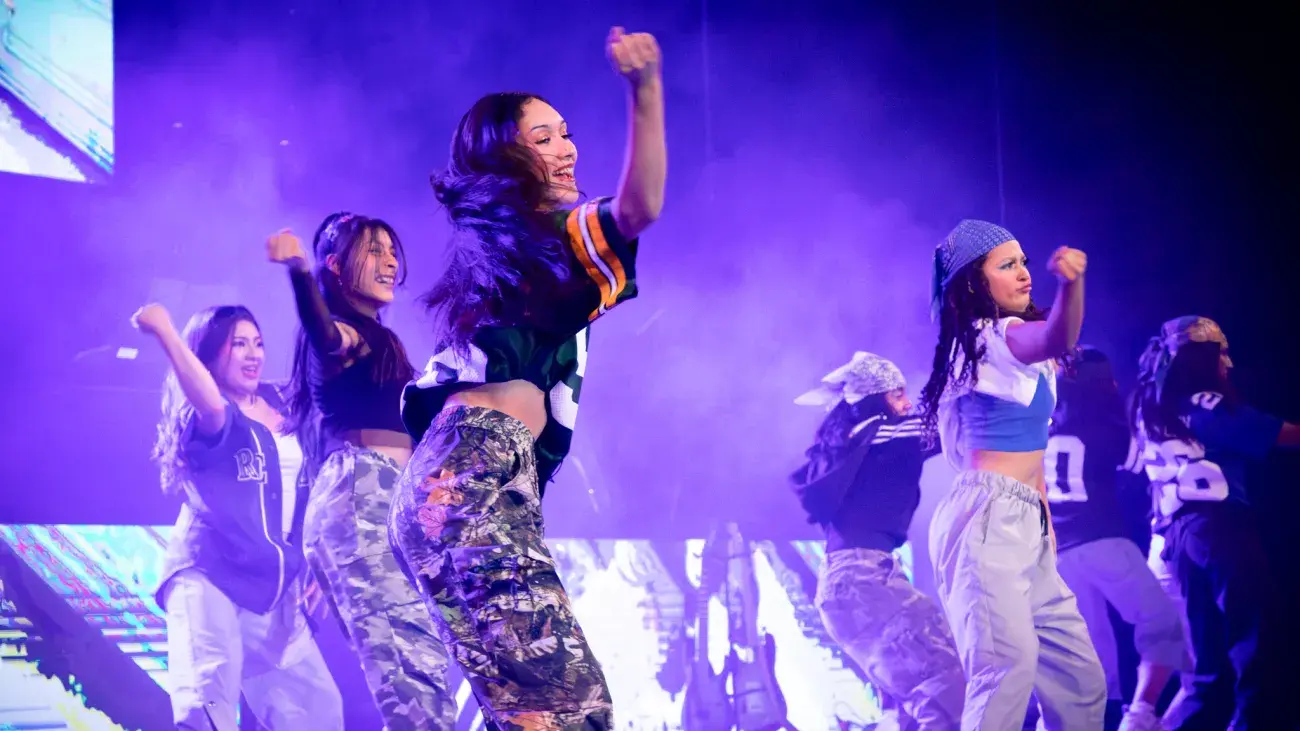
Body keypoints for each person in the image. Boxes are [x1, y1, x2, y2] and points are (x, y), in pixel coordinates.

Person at [388, 26, 666, 728]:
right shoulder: (543, 231)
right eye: (543, 139)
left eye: (566, 134)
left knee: (530, 716)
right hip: (473, 480)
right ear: (505, 160)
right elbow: (638, 209)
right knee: (573, 711)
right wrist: (646, 88)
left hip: (459, 489)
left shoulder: (510, 249)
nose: (567, 149)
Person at [266, 214, 456, 729]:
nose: (389, 261)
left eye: (392, 251)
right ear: (335, 265)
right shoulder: (346, 334)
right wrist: (299, 274)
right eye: (374, 250)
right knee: (410, 671)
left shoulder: (382, 342)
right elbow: (327, 335)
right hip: (363, 493)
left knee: (421, 662)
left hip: (384, 501)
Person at [917, 219, 1106, 730]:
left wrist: (1043, 526)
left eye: (1023, 262)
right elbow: (1057, 335)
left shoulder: (1010, 350)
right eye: (1007, 265)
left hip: (1025, 524)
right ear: (974, 284)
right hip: (988, 518)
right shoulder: (989, 337)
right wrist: (1071, 284)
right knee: (1005, 674)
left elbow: (1032, 451)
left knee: (1079, 681)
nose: (1024, 273)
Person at [134, 303, 343, 731]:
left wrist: (321, 559)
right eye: (238, 345)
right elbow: (212, 406)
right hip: (210, 573)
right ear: (209, 355)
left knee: (316, 710)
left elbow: (319, 485)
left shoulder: (284, 405)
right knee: (208, 707)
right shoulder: (204, 415)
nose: (253, 355)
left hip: (272, 584)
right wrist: (166, 332)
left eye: (258, 344)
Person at [1130, 315, 1299, 730]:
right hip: (1219, 530)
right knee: (1256, 647)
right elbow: (1281, 435)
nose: (1229, 362)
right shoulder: (1206, 403)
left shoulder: (1150, 404)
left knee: (1205, 666)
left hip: (1175, 537)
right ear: (1200, 357)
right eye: (1221, 352)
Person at [791, 351, 965, 730]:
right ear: (875, 399)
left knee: (911, 704)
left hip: (852, 582)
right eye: (898, 395)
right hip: (863, 581)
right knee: (946, 688)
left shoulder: (854, 439)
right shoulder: (883, 433)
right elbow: (954, 420)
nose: (907, 404)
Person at [1045, 346, 1185, 731]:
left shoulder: (1039, 419)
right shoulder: (1103, 419)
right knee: (1163, 625)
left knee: (1092, 652)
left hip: (1054, 551)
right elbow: (1143, 462)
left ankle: (1103, 720)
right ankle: (1140, 714)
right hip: (1102, 538)